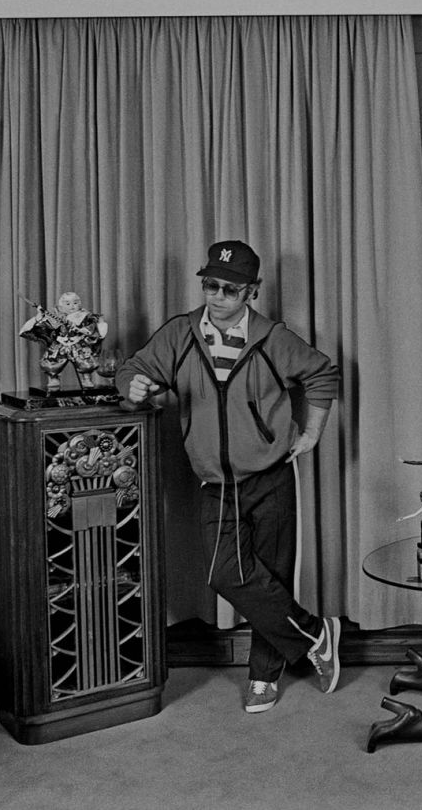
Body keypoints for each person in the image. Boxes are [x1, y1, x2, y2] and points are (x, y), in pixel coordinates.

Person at [116, 239, 343, 714]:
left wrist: (313, 433)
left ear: (251, 292)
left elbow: (322, 375)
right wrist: (130, 384)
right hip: (215, 482)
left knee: (272, 576)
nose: (217, 296)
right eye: (210, 285)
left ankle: (263, 676)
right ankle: (317, 634)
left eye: (230, 289)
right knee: (227, 573)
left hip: (271, 474)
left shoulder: (272, 337)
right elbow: (135, 367)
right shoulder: (180, 334)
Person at [18, 291, 109, 391]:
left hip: (78, 344)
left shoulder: (86, 316)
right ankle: (53, 378)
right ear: (61, 306)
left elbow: (93, 328)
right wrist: (38, 317)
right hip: (60, 344)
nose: (72, 306)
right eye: (68, 304)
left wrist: (83, 330)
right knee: (51, 363)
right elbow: (43, 328)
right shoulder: (54, 316)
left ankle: (86, 378)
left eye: (75, 303)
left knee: (86, 363)